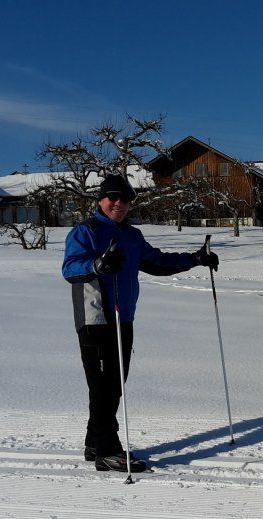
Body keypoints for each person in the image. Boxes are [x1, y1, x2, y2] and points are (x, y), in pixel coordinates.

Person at [61, 174, 219, 472]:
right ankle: (107, 451)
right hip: (96, 319)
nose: (119, 204)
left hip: (124, 317)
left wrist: (195, 259)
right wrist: (98, 265)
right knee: (103, 387)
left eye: (125, 199)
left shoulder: (132, 235)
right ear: (101, 200)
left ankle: (95, 442)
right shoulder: (86, 231)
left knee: (114, 385)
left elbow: (156, 262)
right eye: (113, 198)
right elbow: (70, 270)